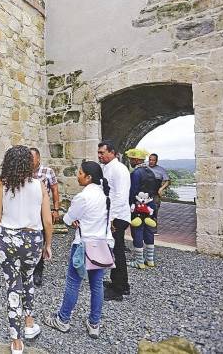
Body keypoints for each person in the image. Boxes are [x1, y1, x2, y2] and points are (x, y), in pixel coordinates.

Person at [0, 145, 53, 354]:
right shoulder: (39, 184)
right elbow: (48, 221)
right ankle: (29, 324)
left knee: (13, 286)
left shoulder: (2, 184)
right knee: (28, 278)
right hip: (33, 239)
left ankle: (16, 342)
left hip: (9, 240)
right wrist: (48, 244)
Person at [44, 161, 113, 339]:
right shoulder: (105, 196)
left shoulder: (83, 197)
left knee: (73, 283)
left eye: (80, 173)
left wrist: (74, 219)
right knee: (97, 286)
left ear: (88, 177)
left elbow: (67, 219)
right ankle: (94, 323)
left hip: (83, 245)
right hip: (101, 245)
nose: (77, 175)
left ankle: (63, 319)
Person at [97, 141, 131, 301]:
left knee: (117, 251)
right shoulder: (108, 168)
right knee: (113, 249)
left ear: (112, 152)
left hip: (118, 217)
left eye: (102, 153)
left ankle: (119, 288)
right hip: (112, 215)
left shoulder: (119, 170)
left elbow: (120, 197)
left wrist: (112, 219)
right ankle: (118, 282)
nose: (99, 155)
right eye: (99, 152)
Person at [30, 147, 61, 287]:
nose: (29, 161)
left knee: (40, 241)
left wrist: (55, 209)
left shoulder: (48, 172)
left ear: (39, 158)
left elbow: (54, 190)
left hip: (43, 211)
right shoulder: (24, 172)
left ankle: (38, 271)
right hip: (28, 212)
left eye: (32, 158)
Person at [126, 148, 159, 269]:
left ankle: (139, 261)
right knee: (149, 231)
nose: (129, 161)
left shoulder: (136, 173)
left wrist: (129, 204)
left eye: (130, 159)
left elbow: (133, 191)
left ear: (136, 159)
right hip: (150, 206)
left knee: (137, 231)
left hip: (138, 207)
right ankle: (150, 260)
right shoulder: (150, 172)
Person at [148, 153, 170, 235]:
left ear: (156, 161)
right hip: (145, 193)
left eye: (153, 160)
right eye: (150, 159)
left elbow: (167, 181)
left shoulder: (161, 170)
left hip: (155, 193)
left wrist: (161, 188)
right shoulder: (145, 168)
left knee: (154, 210)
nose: (151, 161)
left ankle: (153, 230)